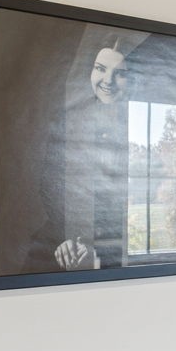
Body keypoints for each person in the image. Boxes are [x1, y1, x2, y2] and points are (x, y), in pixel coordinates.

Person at [50, 36, 131, 270]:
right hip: (73, 243)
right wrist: (64, 237)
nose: (108, 81)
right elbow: (50, 185)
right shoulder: (68, 121)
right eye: (100, 69)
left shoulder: (137, 123)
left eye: (120, 73)